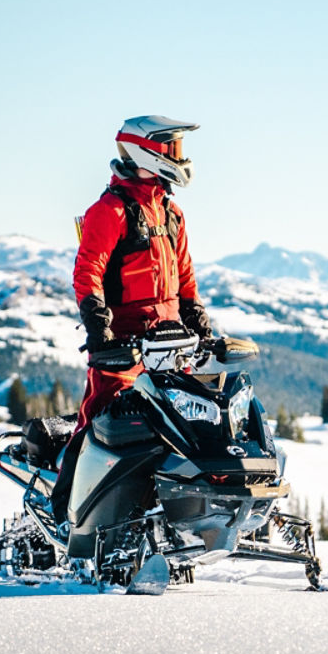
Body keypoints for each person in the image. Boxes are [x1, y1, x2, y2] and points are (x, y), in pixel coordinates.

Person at [51, 116, 213, 522]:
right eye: (173, 149)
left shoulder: (171, 214)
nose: (181, 157)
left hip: (172, 347)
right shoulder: (110, 211)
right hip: (123, 345)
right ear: (146, 151)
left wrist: (200, 326)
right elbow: (88, 271)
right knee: (99, 419)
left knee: (189, 426)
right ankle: (65, 509)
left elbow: (186, 279)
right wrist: (100, 332)